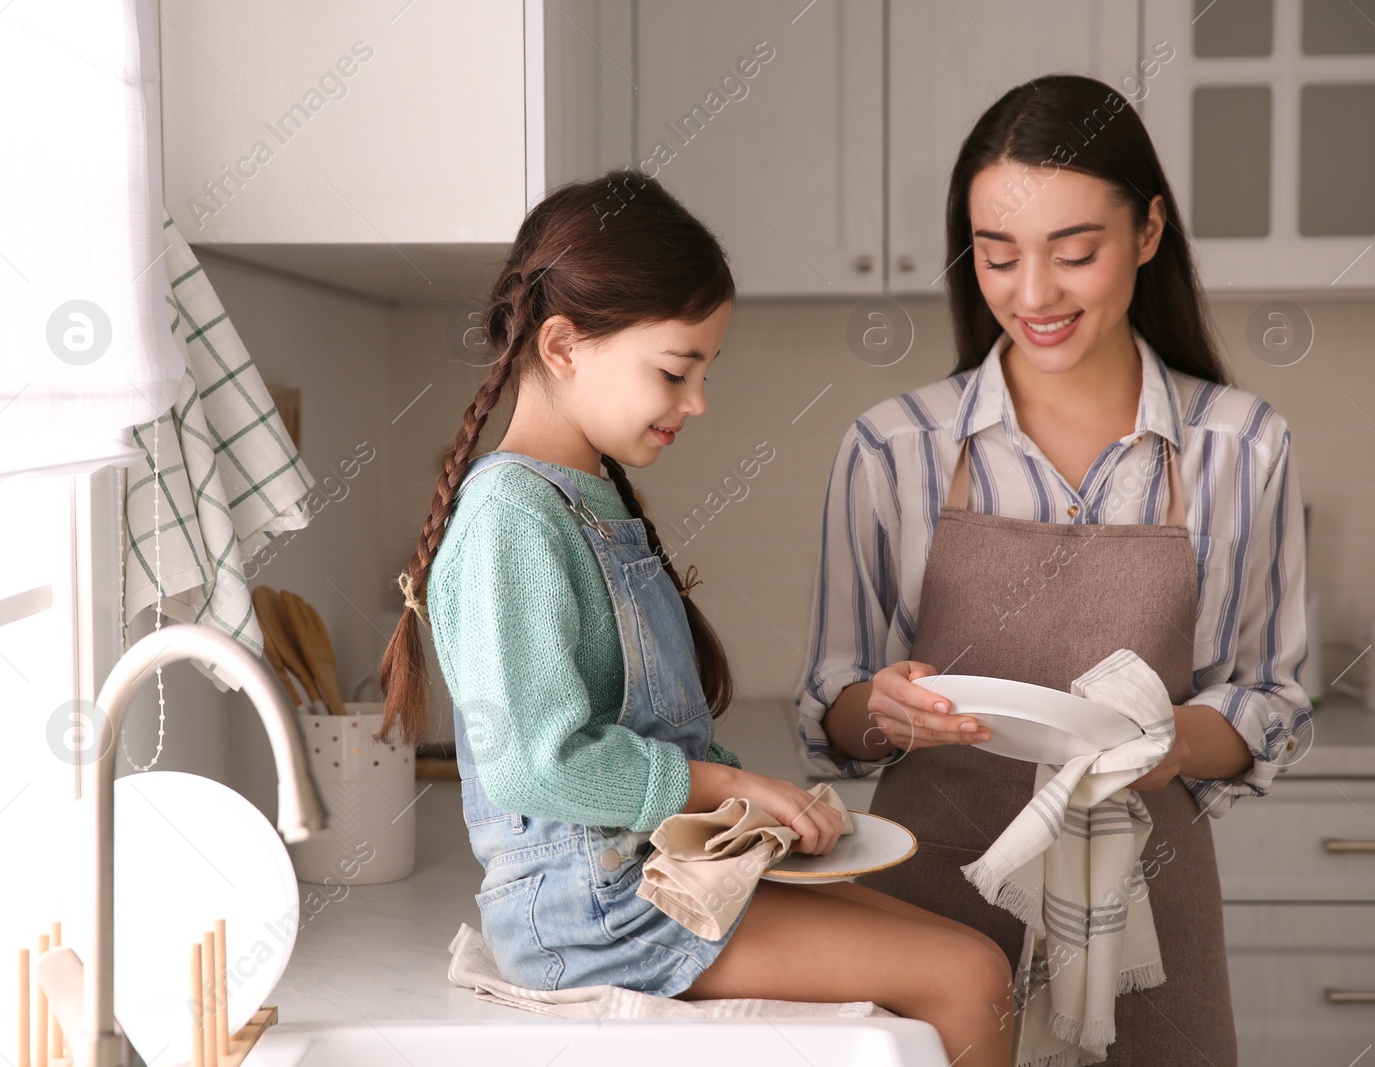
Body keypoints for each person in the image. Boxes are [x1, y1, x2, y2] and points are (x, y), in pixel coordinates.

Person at [376, 169, 1015, 1065]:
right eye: (677, 370)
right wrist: (729, 789)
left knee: (978, 953)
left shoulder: (585, 494)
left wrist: (755, 811)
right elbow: (536, 761)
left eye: (705, 371)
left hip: (658, 880)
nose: (698, 400)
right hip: (593, 913)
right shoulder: (509, 517)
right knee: (968, 979)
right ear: (562, 346)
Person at [797, 75, 1311, 1066]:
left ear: (1148, 229)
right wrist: (884, 709)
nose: (1031, 294)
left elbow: (1271, 697)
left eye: (1073, 253)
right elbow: (832, 701)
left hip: (1144, 920)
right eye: (997, 256)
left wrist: (1161, 744)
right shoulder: (890, 450)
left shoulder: (1242, 447)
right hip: (931, 908)